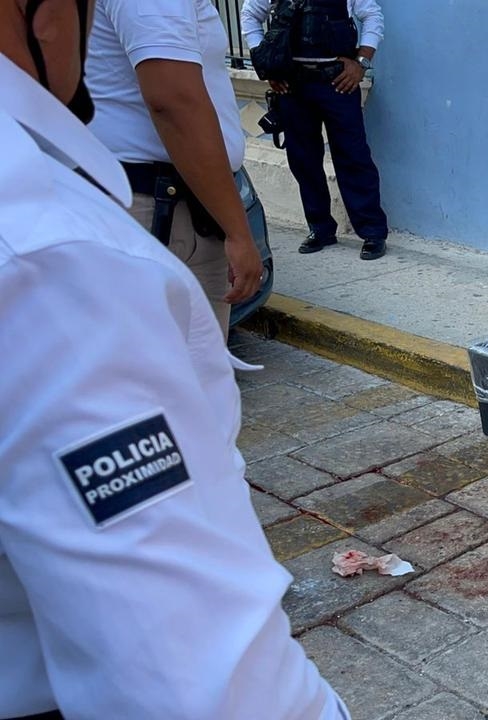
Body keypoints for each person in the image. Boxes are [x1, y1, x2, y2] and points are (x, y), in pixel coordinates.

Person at [0, 2, 349, 717]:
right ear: (37, 16)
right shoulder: (55, 263)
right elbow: (197, 682)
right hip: (173, 208)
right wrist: (235, 229)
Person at [84, 0, 262, 339]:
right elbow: (174, 101)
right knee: (185, 380)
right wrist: (238, 231)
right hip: (161, 209)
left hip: (142, 201)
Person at [242, 0, 390, 261]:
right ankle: (320, 228)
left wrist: (361, 63)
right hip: (292, 84)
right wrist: (266, 63)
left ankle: (372, 232)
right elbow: (249, 16)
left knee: (353, 157)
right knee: (303, 160)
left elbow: (372, 16)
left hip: (337, 82)